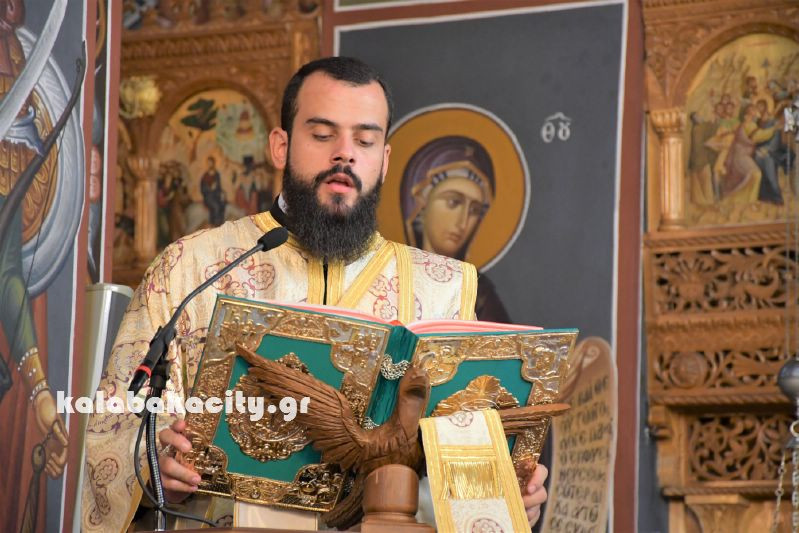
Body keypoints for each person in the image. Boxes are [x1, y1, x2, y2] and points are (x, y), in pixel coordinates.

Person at [81, 57, 547, 531]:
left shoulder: (441, 288)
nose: (344, 155)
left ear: (384, 160)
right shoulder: (191, 267)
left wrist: (504, 497)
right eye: (323, 135)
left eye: (364, 141)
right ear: (281, 146)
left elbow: (462, 456)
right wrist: (154, 467)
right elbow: (111, 427)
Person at [400, 135, 511, 323]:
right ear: (421, 203)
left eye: (474, 210)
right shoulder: (389, 278)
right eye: (453, 202)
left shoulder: (478, 292)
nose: (463, 222)